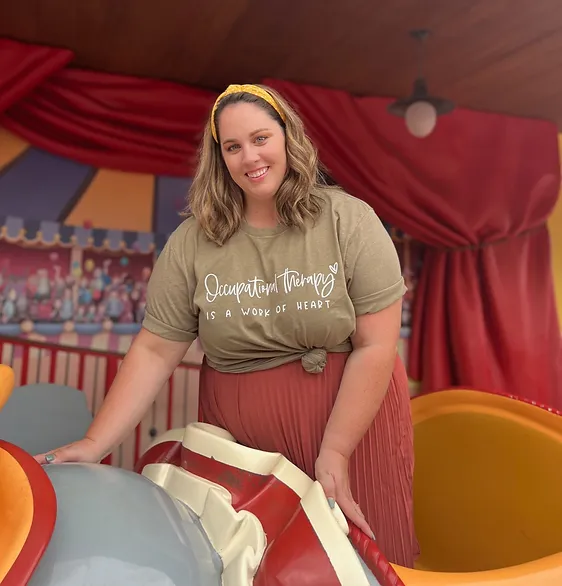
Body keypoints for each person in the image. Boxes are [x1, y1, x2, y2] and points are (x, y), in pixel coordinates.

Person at [35, 83, 419, 567]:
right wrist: (95, 443)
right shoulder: (194, 241)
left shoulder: (349, 220)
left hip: (350, 429)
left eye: (260, 138)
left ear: (288, 137)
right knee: (249, 566)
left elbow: (376, 345)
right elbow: (155, 350)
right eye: (232, 147)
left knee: (363, 564)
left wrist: (336, 451)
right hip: (242, 446)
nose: (249, 157)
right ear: (219, 157)